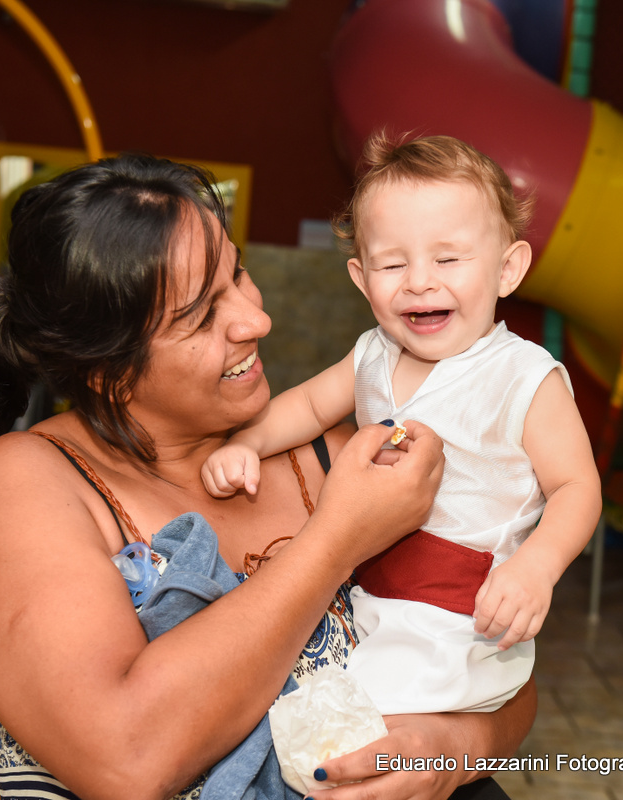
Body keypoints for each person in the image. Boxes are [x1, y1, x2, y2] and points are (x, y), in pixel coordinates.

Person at [0, 153, 538, 800]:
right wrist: (337, 540)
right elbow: (125, 759)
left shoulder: (345, 456)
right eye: (200, 314)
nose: (256, 320)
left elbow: (503, 672)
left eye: (238, 273)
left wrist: (449, 751)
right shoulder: (31, 486)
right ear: (106, 369)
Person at [202, 134, 602, 717]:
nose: (419, 281)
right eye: (394, 263)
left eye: (448, 259)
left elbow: (576, 486)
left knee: (369, 725)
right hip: (372, 589)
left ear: (507, 269)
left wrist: (536, 567)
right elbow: (310, 407)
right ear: (364, 280)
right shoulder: (372, 353)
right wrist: (247, 442)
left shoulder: (524, 376)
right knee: (303, 712)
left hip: (462, 617)